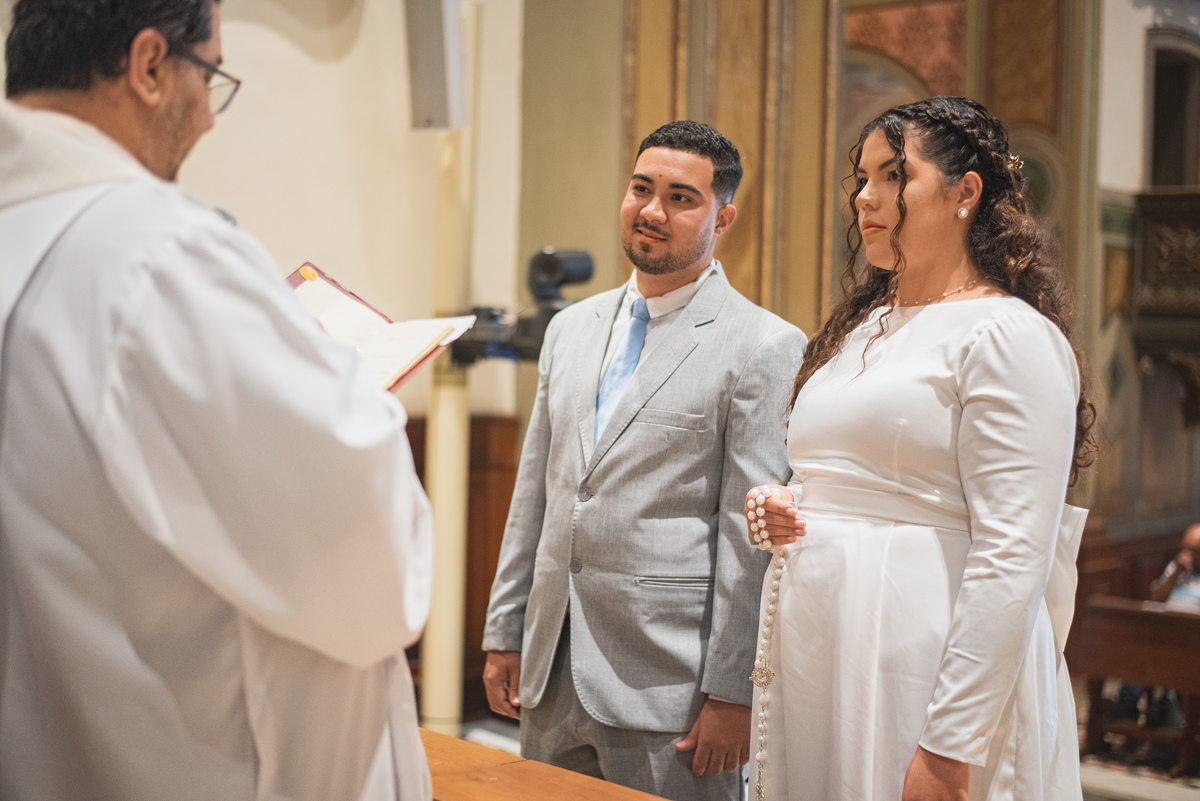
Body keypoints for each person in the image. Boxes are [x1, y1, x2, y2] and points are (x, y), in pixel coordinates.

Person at [0, 2, 433, 800]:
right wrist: (333, 377)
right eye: (213, 77)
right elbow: (367, 564)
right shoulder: (160, 253)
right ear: (150, 65)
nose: (209, 117)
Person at [746, 96, 1096, 801]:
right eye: (862, 177)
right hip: (827, 654)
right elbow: (836, 475)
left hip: (922, 667)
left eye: (892, 176)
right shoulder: (860, 331)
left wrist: (950, 744)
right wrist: (779, 502)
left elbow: (1011, 552)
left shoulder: (1006, 336)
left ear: (966, 192)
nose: (864, 197)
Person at [482, 120, 806, 801]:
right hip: (552, 667)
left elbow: (747, 536)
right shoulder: (571, 328)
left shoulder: (763, 345)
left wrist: (732, 691)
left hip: (671, 688)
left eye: (682, 197)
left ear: (724, 216)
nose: (652, 211)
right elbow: (535, 496)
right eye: (641, 188)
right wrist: (506, 630)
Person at [1149, 524, 1200, 608]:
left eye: (1194, 551)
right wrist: (1176, 572)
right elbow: (1156, 599)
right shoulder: (1176, 566)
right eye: (1185, 549)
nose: (1187, 555)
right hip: (1168, 618)